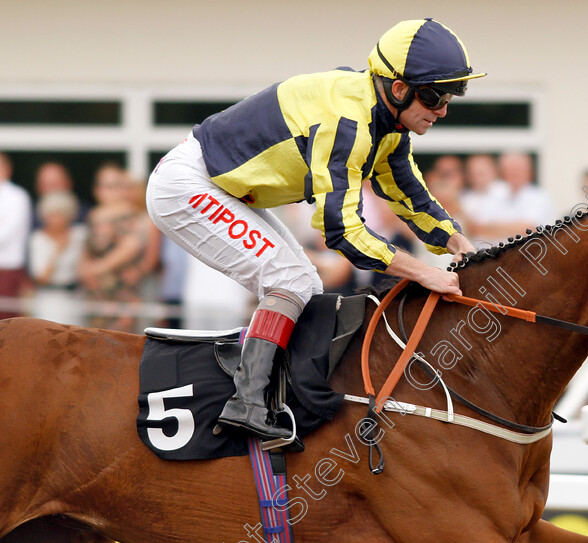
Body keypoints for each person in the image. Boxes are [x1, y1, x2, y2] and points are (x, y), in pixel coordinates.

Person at [146, 18, 481, 442]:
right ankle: (246, 401)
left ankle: (263, 392)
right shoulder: (349, 121)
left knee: (302, 280)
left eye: (450, 97)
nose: (442, 110)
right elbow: (340, 229)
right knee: (287, 278)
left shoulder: (387, 121)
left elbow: (408, 193)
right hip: (187, 186)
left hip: (220, 187)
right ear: (397, 88)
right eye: (434, 96)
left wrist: (460, 244)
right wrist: (424, 272)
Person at [78, 164, 151, 332]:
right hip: (95, 297)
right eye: (102, 185)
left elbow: (130, 248)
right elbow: (86, 252)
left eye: (112, 185)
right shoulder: (94, 216)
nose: (106, 191)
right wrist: (85, 270)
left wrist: (95, 269)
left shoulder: (133, 216)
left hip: (122, 296)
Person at [27, 191, 87, 325]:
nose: (55, 219)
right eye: (51, 214)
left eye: (60, 214)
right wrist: (57, 252)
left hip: (76, 296)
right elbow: (41, 278)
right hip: (49, 298)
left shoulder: (80, 234)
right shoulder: (38, 239)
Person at [0, 152, 32, 319]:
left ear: (7, 169)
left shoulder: (17, 196)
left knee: (6, 323)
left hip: (7, 270)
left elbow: (5, 234)